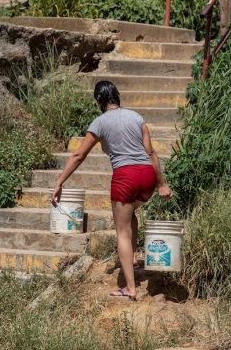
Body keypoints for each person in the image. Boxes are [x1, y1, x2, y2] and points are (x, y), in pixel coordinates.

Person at [51, 81, 173, 301]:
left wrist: (59, 182)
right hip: (147, 176)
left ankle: (130, 289)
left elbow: (78, 156)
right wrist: (161, 184)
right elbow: (151, 152)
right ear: (117, 96)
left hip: (125, 178)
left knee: (122, 232)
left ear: (99, 100)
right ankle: (133, 261)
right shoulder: (136, 117)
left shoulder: (99, 122)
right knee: (131, 214)